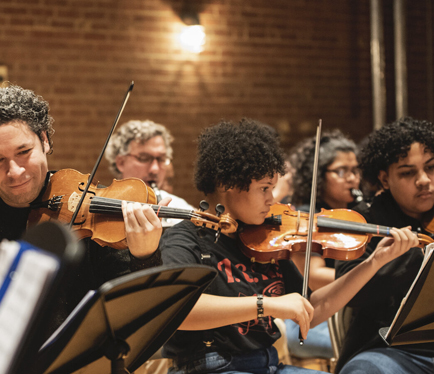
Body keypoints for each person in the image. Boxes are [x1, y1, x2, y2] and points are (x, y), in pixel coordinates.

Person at [0, 85, 167, 368]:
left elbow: (140, 313)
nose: (15, 171)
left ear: (45, 140)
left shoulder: (90, 212)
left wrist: (145, 256)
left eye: (24, 152)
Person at [158, 119, 418, 374]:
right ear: (228, 184)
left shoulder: (264, 240)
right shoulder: (185, 238)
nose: (272, 199)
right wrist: (266, 305)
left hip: (268, 364)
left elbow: (312, 310)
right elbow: (178, 311)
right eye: (264, 188)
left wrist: (374, 263)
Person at [335, 117, 434, 374]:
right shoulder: (363, 221)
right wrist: (412, 257)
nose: (424, 180)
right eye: (408, 172)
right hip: (390, 350)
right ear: (384, 179)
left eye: (431, 167)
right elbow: (350, 293)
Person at [284, 130, 361, 359]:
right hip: (311, 318)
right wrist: (372, 276)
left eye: (355, 170)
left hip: (349, 311)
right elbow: (314, 276)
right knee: (366, 344)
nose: (352, 178)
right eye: (341, 171)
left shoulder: (359, 215)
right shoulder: (306, 218)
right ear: (318, 176)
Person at [106, 119, 195, 226]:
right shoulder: (102, 210)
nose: (155, 169)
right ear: (121, 163)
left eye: (161, 159)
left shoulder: (180, 207)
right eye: (144, 158)